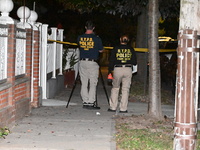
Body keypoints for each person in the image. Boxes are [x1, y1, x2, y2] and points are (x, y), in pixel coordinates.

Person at [77, 20, 103, 109]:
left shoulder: (80, 38)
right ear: (94, 28)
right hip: (92, 62)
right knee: (93, 83)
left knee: (84, 82)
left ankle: (85, 101)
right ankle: (91, 102)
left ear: (85, 27)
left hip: (83, 62)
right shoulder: (97, 38)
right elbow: (101, 50)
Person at [108, 35, 137, 113]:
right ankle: (123, 108)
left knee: (115, 88)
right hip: (128, 69)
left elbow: (111, 60)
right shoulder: (131, 49)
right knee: (125, 89)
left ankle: (113, 107)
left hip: (117, 69)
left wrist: (110, 71)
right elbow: (134, 61)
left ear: (120, 40)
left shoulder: (116, 48)